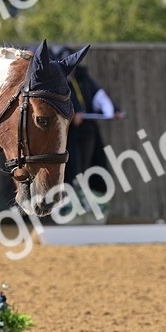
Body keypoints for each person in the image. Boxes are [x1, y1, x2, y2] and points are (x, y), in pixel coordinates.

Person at [58, 46, 123, 218]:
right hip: (69, 134)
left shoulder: (83, 78)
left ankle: (85, 202)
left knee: (87, 166)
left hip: (88, 130)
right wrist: (72, 113)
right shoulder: (59, 80)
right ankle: (69, 205)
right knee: (72, 167)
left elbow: (98, 96)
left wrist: (113, 110)